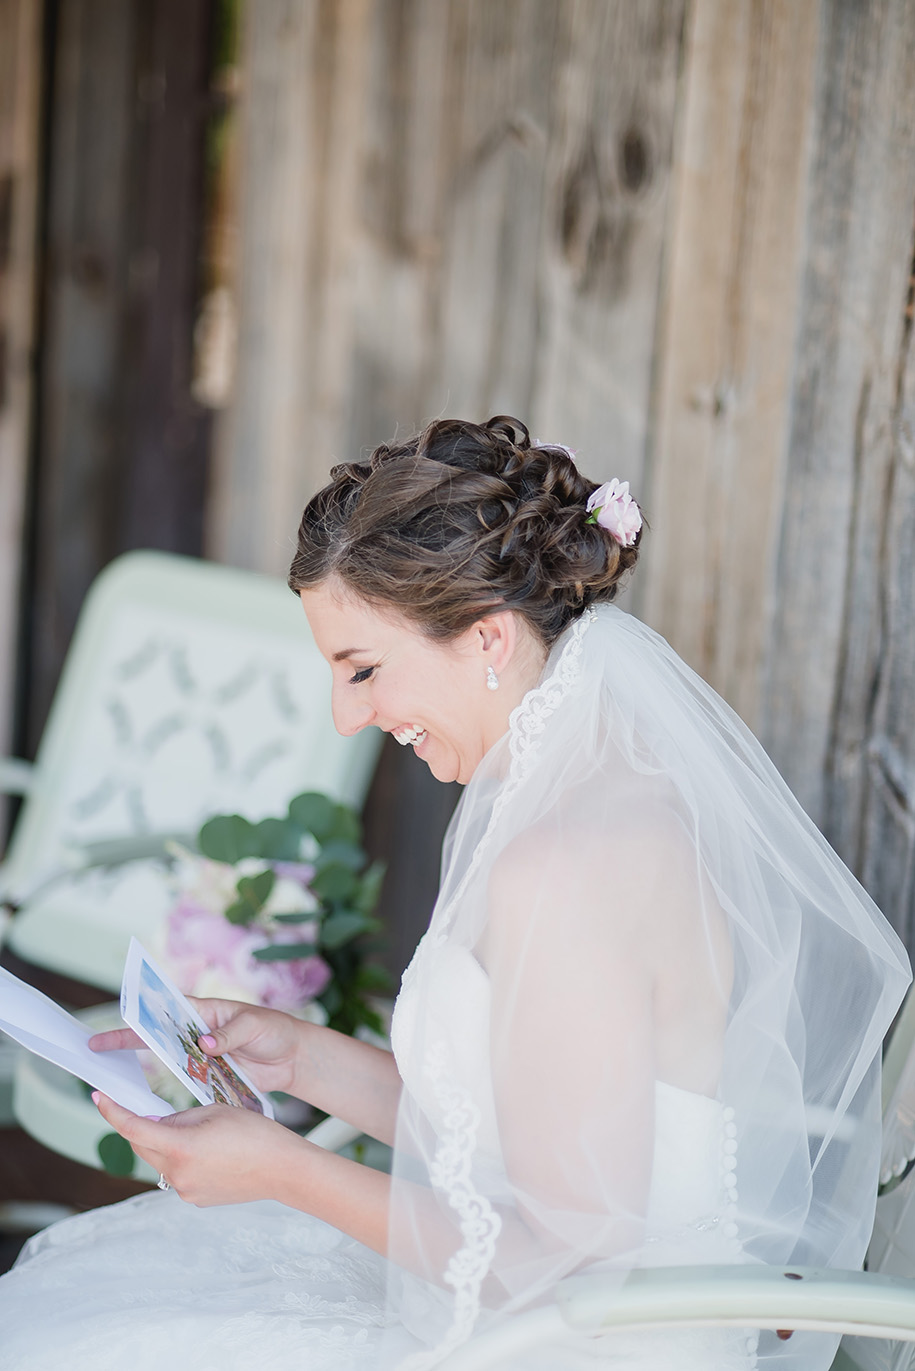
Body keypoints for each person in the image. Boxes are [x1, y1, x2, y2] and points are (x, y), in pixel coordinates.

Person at [0, 416, 908, 1371]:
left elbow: (562, 1264)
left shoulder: (562, 861)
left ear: (486, 636)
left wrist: (281, 1171)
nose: (348, 716)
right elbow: (528, 1137)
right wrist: (302, 1057)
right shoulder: (579, 795)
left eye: (362, 669)